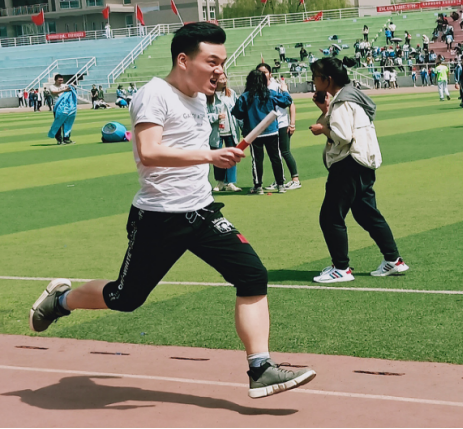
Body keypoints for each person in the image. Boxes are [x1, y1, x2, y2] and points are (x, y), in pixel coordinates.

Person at [28, 23, 316, 399]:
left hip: (202, 211)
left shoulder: (198, 96)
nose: (219, 69)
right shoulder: (153, 95)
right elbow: (149, 151)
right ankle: (61, 300)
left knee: (252, 275)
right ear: (183, 60)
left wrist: (218, 148)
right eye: (211, 61)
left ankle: (260, 369)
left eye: (222, 62)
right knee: (125, 298)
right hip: (159, 217)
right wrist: (210, 155)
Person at [308, 57, 409, 283]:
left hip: (348, 164)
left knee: (330, 216)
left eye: (315, 77)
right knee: (367, 214)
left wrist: (322, 129)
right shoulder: (352, 95)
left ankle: (341, 268)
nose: (313, 81)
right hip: (364, 162)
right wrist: (325, 110)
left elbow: (342, 136)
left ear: (327, 79)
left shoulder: (342, 101)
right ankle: (393, 260)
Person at [232, 69, 292, 194]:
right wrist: (285, 90)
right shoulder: (270, 93)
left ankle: (258, 186)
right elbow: (287, 101)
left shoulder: (245, 96)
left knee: (257, 160)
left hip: (254, 132)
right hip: (271, 130)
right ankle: (280, 184)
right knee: (276, 158)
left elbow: (237, 113)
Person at [257, 63, 301, 191]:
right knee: (275, 155)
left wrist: (292, 124)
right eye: (259, 72)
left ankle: (295, 179)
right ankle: (279, 180)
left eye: (265, 72)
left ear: (270, 74)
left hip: (281, 123)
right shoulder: (258, 88)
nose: (262, 75)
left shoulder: (277, 87)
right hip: (270, 126)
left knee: (285, 151)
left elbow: (291, 104)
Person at [207, 72, 242, 193]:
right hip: (216, 132)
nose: (223, 81)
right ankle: (220, 182)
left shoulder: (231, 93)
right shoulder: (209, 95)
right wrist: (216, 117)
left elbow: (238, 111)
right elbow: (204, 115)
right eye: (221, 79)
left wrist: (242, 126)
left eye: (224, 78)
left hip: (231, 130)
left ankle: (230, 182)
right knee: (217, 157)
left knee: (232, 157)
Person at [48, 74, 77, 145]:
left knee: (67, 122)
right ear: (55, 80)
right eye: (59, 80)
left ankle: (66, 138)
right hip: (57, 107)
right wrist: (64, 90)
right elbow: (53, 92)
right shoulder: (52, 86)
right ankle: (59, 139)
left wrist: (72, 86)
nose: (61, 82)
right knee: (58, 123)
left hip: (66, 107)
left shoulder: (64, 85)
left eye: (62, 80)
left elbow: (71, 89)